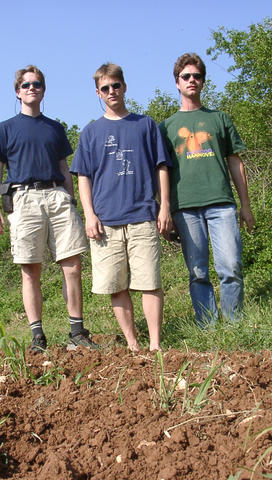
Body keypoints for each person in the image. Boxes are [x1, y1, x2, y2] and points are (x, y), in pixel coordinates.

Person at [0, 65, 99, 353]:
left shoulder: (55, 128)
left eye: (36, 84)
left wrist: (71, 199)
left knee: (72, 265)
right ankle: (38, 337)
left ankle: (76, 331)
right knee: (30, 269)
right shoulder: (5, 128)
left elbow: (64, 166)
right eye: (26, 85)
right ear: (17, 92)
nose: (32, 88)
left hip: (57, 196)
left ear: (43, 89)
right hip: (24, 199)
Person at [70, 63, 172, 352]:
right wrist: (89, 215)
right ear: (98, 93)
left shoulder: (145, 125)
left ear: (124, 87)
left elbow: (161, 167)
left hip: (142, 216)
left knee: (150, 283)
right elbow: (83, 177)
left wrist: (164, 207)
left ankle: (155, 345)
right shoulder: (90, 132)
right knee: (117, 286)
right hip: (106, 222)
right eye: (105, 88)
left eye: (116, 85)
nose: (111, 91)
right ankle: (133, 344)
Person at [159, 53, 255, 328]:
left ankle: (234, 325)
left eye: (197, 76)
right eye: (186, 76)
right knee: (198, 272)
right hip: (185, 208)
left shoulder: (220, 118)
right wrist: (163, 209)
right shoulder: (165, 127)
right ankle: (209, 329)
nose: (192, 80)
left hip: (221, 204)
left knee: (231, 268)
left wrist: (245, 205)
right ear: (177, 83)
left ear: (203, 82)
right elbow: (161, 171)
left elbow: (235, 161)